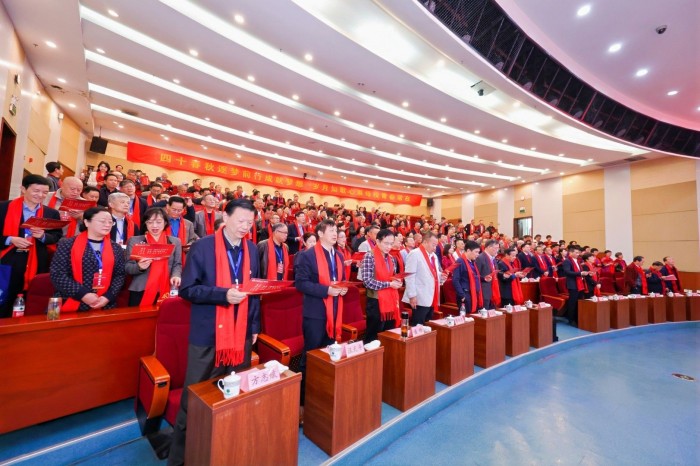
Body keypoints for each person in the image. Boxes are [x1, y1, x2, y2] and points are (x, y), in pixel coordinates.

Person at [168, 199, 260, 466]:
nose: (245, 227)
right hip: (207, 334)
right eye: (240, 220)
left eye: (250, 222)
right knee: (195, 397)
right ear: (226, 217)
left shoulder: (252, 249)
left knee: (235, 392)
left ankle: (226, 448)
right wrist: (222, 295)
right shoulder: (203, 246)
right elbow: (187, 289)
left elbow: (254, 291)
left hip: (241, 333)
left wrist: (254, 326)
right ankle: (181, 457)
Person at [295, 219, 348, 407]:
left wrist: (342, 289)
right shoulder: (307, 256)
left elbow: (341, 279)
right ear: (319, 233)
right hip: (315, 314)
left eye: (336, 230)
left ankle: (322, 394)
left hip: (335, 311)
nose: (335, 234)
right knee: (311, 355)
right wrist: (327, 290)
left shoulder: (339, 255)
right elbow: (301, 283)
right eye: (331, 230)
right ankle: (303, 400)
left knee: (329, 354)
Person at [0, 175, 63, 317]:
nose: (40, 195)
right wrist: (10, 239)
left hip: (37, 262)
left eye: (45, 192)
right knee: (4, 299)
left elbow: (56, 236)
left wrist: (43, 236)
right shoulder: (3, 208)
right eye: (36, 191)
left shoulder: (50, 213)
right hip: (7, 261)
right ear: (23, 189)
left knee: (30, 300)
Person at [49, 206, 125, 311]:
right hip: (69, 299)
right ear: (86, 222)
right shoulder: (67, 244)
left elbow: (119, 275)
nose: (107, 225)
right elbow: (57, 274)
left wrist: (108, 297)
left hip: (104, 303)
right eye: (102, 221)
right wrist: (82, 294)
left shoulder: (115, 247)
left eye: (110, 222)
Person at [125, 207, 182, 306]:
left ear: (165, 223)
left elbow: (177, 264)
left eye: (159, 222)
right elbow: (128, 267)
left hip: (166, 286)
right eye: (150, 222)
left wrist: (176, 275)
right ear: (145, 223)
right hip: (141, 288)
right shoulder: (135, 241)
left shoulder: (175, 241)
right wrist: (139, 267)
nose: (154, 226)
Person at [361, 229, 402, 343]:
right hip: (375, 301)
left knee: (389, 334)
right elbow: (367, 282)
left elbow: (392, 276)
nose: (389, 247)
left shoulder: (391, 258)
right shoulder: (369, 256)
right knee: (373, 336)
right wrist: (389, 284)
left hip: (390, 300)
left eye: (391, 243)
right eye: (386, 243)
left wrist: (397, 282)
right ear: (378, 241)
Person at [402, 231, 445, 325]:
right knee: (418, 324)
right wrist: (412, 295)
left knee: (428, 324)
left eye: (436, 245)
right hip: (419, 296)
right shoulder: (415, 254)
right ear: (425, 242)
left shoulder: (434, 256)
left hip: (432, 295)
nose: (435, 247)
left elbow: (433, 273)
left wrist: (440, 276)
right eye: (433, 244)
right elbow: (409, 276)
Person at [165, 196, 198, 266]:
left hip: (182, 255)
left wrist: (189, 245)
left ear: (183, 210)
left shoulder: (188, 224)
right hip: (165, 255)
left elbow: (192, 239)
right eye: (174, 209)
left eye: (179, 210)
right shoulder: (161, 221)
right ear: (168, 207)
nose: (176, 212)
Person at [452, 240, 483, 313]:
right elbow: (455, 280)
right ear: (468, 250)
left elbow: (474, 276)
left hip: (474, 294)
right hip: (465, 294)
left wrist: (484, 278)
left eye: (478, 252)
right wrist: (462, 295)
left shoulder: (472, 262)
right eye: (476, 252)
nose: (478, 254)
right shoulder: (460, 261)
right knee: (467, 317)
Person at [561, 246, 589, 326]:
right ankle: (571, 319)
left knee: (579, 302)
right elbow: (567, 272)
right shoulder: (567, 261)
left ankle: (578, 318)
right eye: (576, 253)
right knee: (572, 302)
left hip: (580, 283)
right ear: (571, 253)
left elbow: (579, 271)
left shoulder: (578, 261)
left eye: (578, 253)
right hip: (573, 284)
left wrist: (585, 273)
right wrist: (580, 273)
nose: (578, 254)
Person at [475, 239, 501, 309]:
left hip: (493, 289)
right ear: (489, 247)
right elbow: (475, 275)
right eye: (496, 248)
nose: (497, 250)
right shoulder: (480, 258)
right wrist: (484, 278)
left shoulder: (493, 258)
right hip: (484, 291)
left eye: (498, 248)